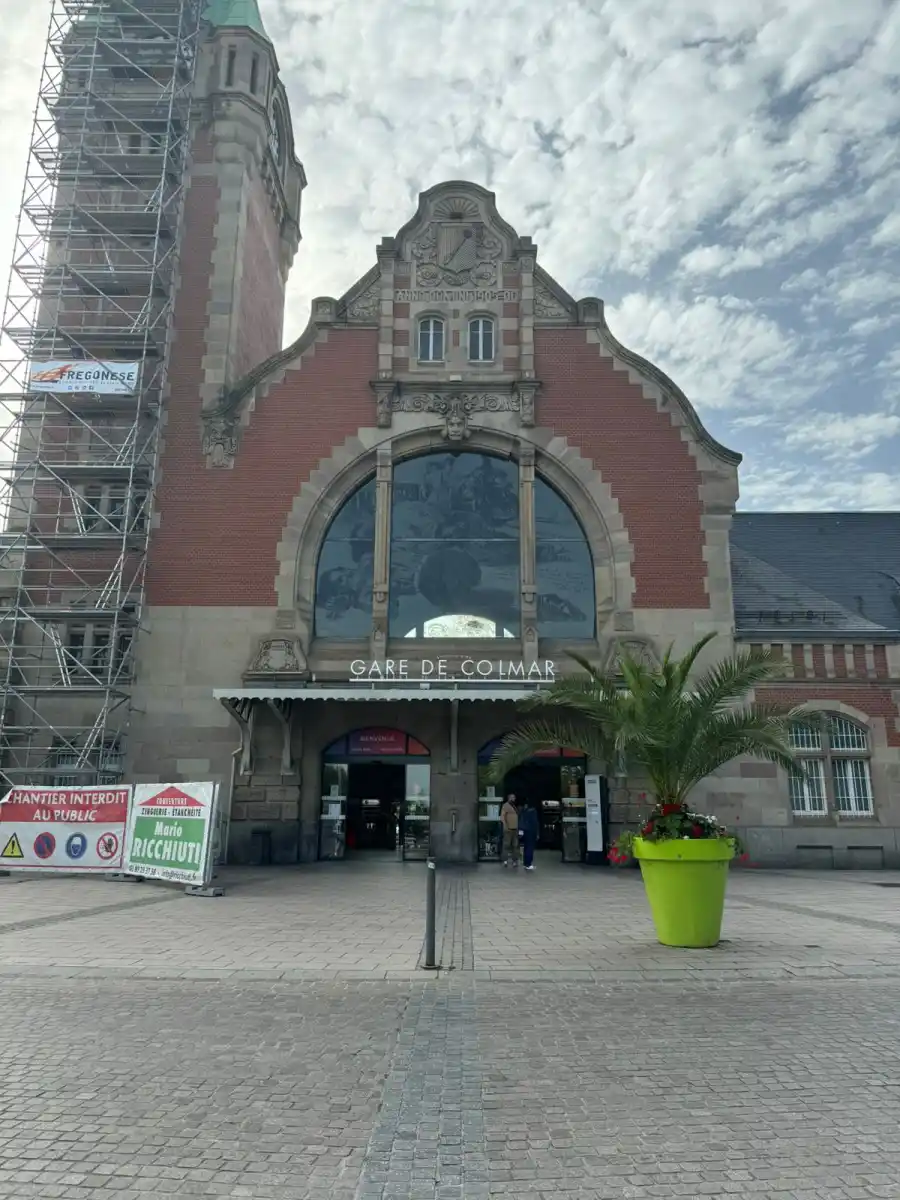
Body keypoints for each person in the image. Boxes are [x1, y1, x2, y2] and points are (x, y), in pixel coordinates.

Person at [499, 793, 520, 869]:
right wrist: (505, 826)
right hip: (508, 828)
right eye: (511, 797)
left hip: (515, 828)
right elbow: (502, 817)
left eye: (514, 797)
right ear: (508, 798)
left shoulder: (514, 806)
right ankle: (505, 860)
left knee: (515, 845)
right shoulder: (506, 806)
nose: (513, 799)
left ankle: (515, 861)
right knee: (506, 845)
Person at [519, 800, 539, 870]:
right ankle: (529, 864)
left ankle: (525, 863)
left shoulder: (523, 812)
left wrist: (521, 831)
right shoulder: (533, 812)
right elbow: (535, 823)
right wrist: (537, 833)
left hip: (525, 831)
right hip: (531, 831)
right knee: (530, 848)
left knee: (526, 847)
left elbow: (521, 821)